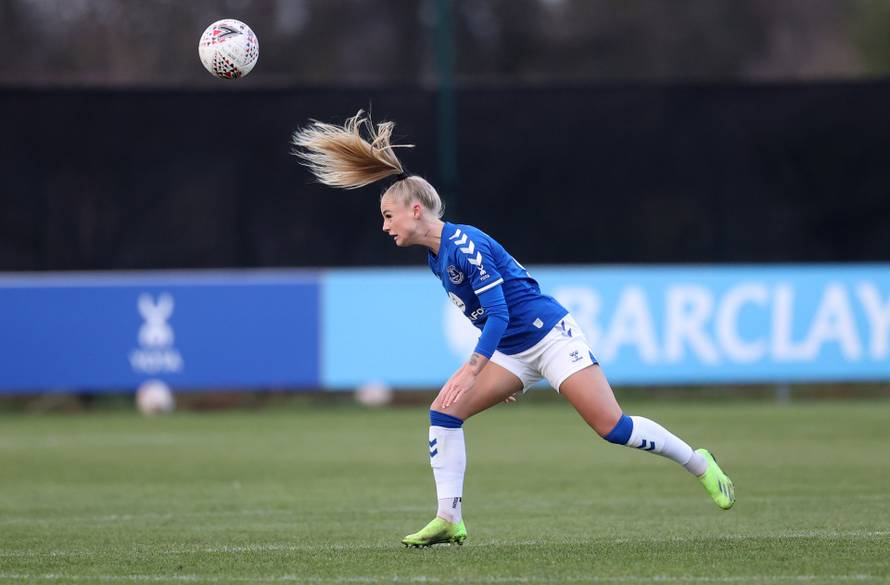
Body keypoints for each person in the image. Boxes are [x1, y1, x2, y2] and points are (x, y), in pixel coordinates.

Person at [291, 111, 735, 548]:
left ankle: (699, 463)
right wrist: (502, 372)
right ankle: (449, 519)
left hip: (550, 336)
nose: (384, 226)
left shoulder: (464, 245)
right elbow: (486, 317)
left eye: (388, 216)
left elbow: (500, 313)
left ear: (414, 210)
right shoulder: (436, 256)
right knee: (444, 413)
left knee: (612, 427)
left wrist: (473, 369)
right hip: (512, 351)